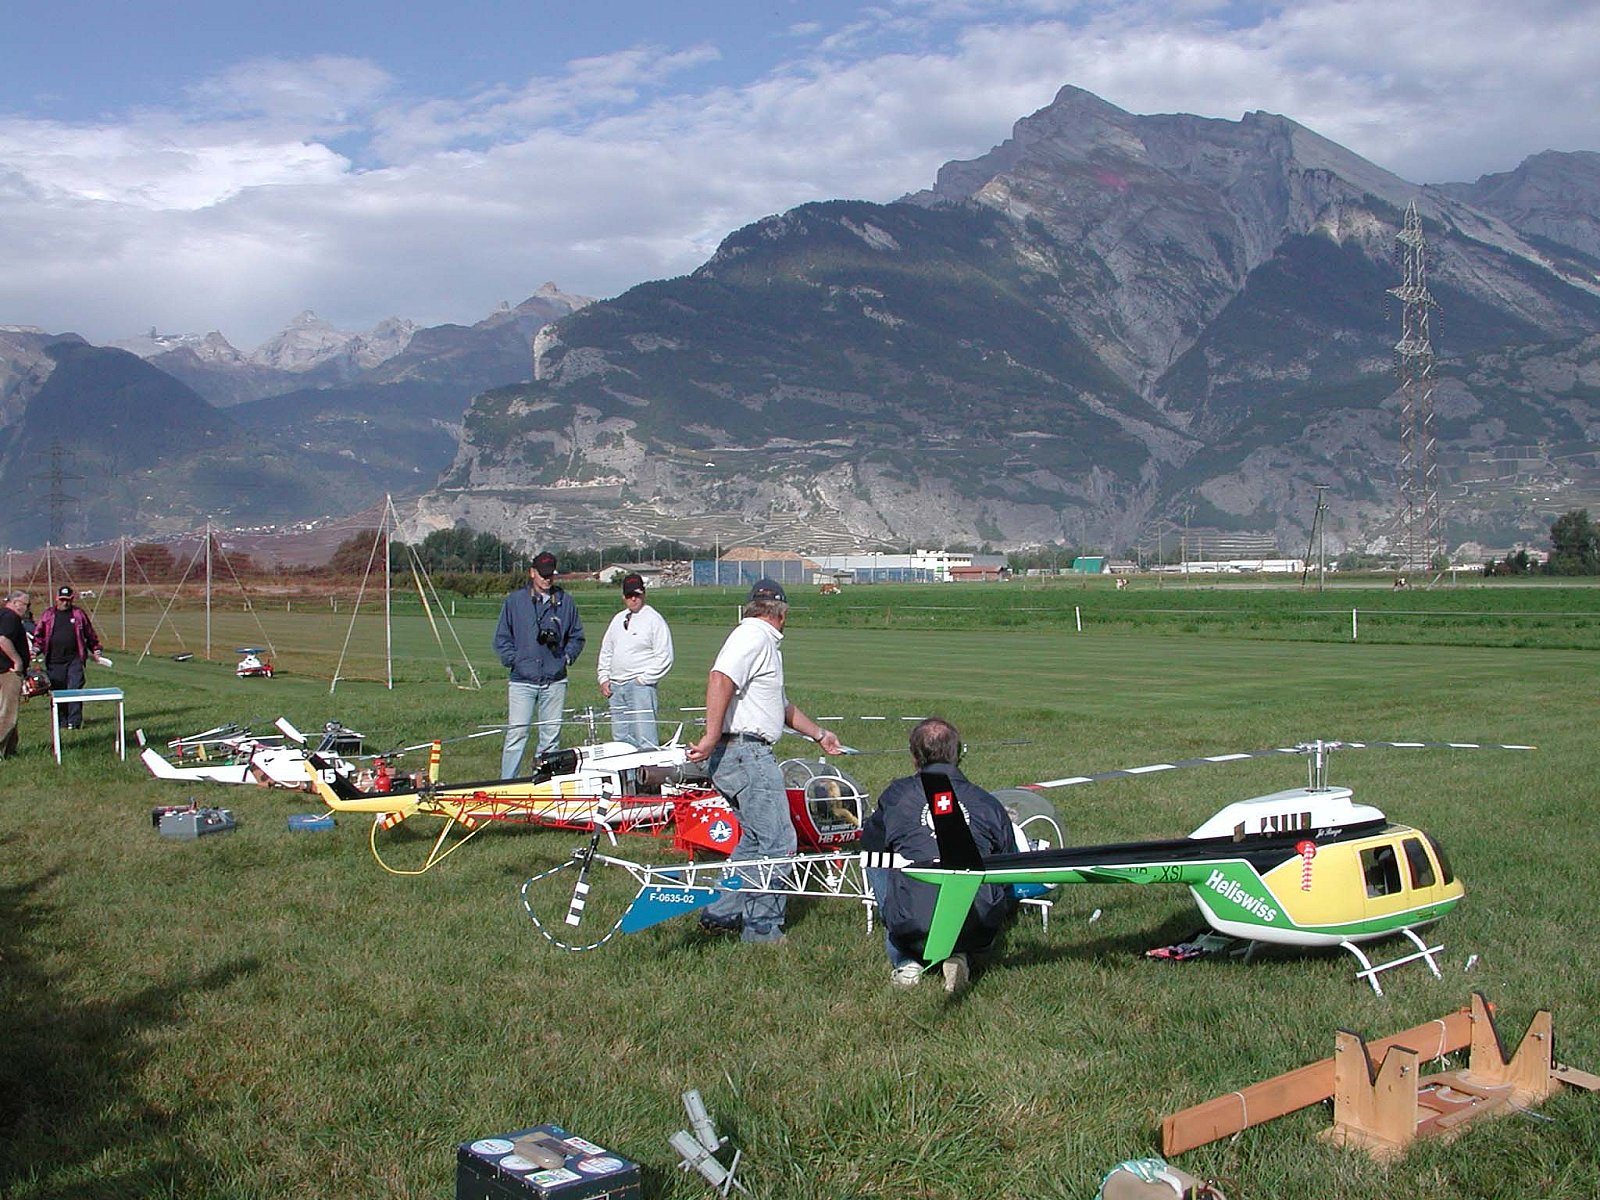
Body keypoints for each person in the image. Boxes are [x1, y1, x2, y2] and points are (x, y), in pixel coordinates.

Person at [687, 578, 843, 944]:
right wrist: (710, 736)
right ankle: (762, 929)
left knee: (754, 841)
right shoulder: (753, 637)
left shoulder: (761, 642)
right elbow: (720, 678)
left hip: (739, 754)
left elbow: (781, 707)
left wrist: (820, 734)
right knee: (779, 843)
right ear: (782, 614)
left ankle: (721, 912)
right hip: (747, 753)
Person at [861, 716, 1017, 993]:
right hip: (977, 925)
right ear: (959, 754)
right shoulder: (986, 802)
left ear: (914, 757)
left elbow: (870, 844)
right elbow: (1009, 864)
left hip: (912, 925)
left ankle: (906, 961)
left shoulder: (897, 795)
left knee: (876, 859)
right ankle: (960, 955)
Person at [493, 551, 585, 777]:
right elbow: (502, 638)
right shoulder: (515, 601)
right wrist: (515, 660)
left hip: (554, 681)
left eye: (550, 574)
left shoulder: (565, 602)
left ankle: (544, 782)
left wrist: (566, 658)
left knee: (551, 738)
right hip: (522, 681)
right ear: (532, 573)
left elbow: (577, 636)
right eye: (542, 574)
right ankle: (507, 784)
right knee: (517, 734)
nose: (547, 579)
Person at [596, 572, 674, 748]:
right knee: (621, 739)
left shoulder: (654, 619)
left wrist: (643, 680)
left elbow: (665, 656)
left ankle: (648, 765)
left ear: (643, 594)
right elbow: (607, 650)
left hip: (639, 688)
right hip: (616, 688)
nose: (633, 599)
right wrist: (604, 678)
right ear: (623, 597)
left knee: (645, 738)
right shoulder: (618, 619)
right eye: (629, 595)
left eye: (637, 595)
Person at [31, 585, 103, 730]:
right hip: (54, 660)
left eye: (68, 600)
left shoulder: (78, 614)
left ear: (72, 599)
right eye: (62, 600)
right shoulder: (48, 615)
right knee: (59, 691)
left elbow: (90, 634)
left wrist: (96, 649)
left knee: (75, 688)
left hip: (74, 659)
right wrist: (35, 650)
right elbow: (39, 636)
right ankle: (61, 721)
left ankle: (74, 722)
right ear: (57, 599)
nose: (65, 603)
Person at [0, 590, 31, 759]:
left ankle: (10, 751)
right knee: (8, 714)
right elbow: (3, 639)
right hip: (8, 671)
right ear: (15, 603)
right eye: (26, 604)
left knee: (8, 712)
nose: (27, 609)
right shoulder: (10, 617)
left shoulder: (2, 615)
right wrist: (17, 660)